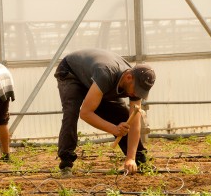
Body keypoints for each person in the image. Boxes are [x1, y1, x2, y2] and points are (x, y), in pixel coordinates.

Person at [55, 48, 156, 177]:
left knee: (123, 117)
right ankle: (66, 163)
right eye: (136, 90)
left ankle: (138, 160)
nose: (137, 94)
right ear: (128, 77)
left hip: (94, 77)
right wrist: (113, 129)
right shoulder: (106, 74)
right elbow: (85, 113)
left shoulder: (136, 81)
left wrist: (130, 157)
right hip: (71, 72)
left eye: (141, 92)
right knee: (71, 112)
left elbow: (134, 122)